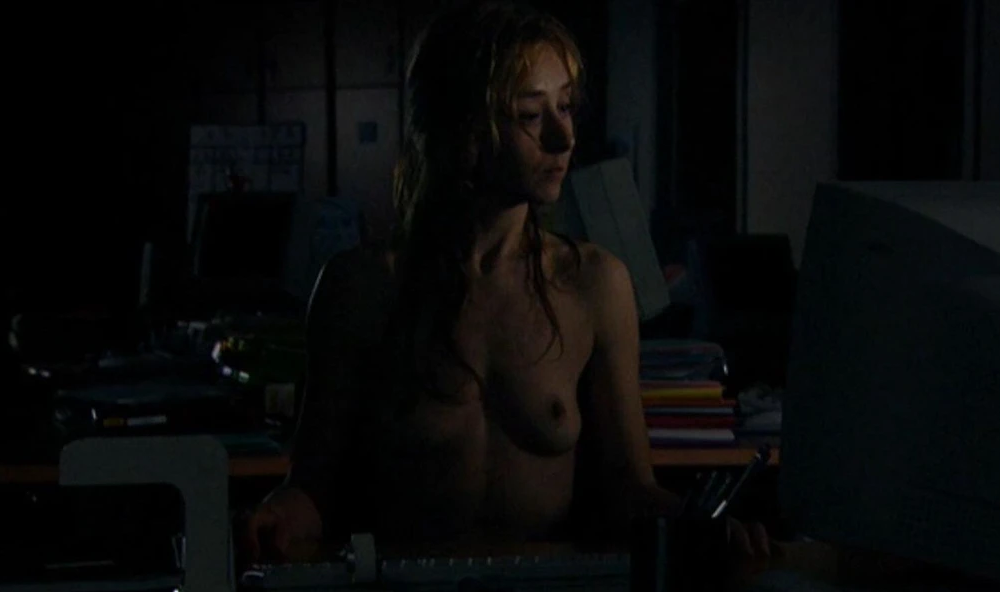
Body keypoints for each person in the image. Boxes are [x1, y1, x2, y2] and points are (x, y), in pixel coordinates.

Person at [245, 1, 770, 560]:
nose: (564, 138)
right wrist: (279, 515)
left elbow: (629, 490)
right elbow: (313, 488)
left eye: (565, 107)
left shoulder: (594, 284)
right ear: (462, 128)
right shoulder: (361, 289)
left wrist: (700, 529)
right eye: (530, 114)